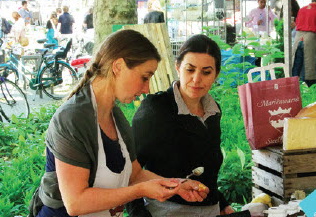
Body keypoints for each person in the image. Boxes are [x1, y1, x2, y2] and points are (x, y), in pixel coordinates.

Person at [29, 30, 209, 217]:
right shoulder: (72, 118)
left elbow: (136, 174)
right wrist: (140, 191)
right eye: (144, 77)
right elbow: (76, 202)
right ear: (118, 66)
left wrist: (177, 185)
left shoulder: (115, 116)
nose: (147, 88)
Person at [126, 34, 234, 217]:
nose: (196, 79)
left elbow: (207, 169)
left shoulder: (213, 112)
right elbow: (129, 172)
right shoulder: (155, 110)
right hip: (167, 211)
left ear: (216, 74)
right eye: (190, 70)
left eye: (206, 72)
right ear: (177, 67)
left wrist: (222, 204)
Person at [292, 0, 316, 87]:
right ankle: (311, 89)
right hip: (311, 38)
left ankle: (294, 88)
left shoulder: (302, 9)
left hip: (299, 38)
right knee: (310, 66)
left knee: (297, 65)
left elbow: (297, 24)